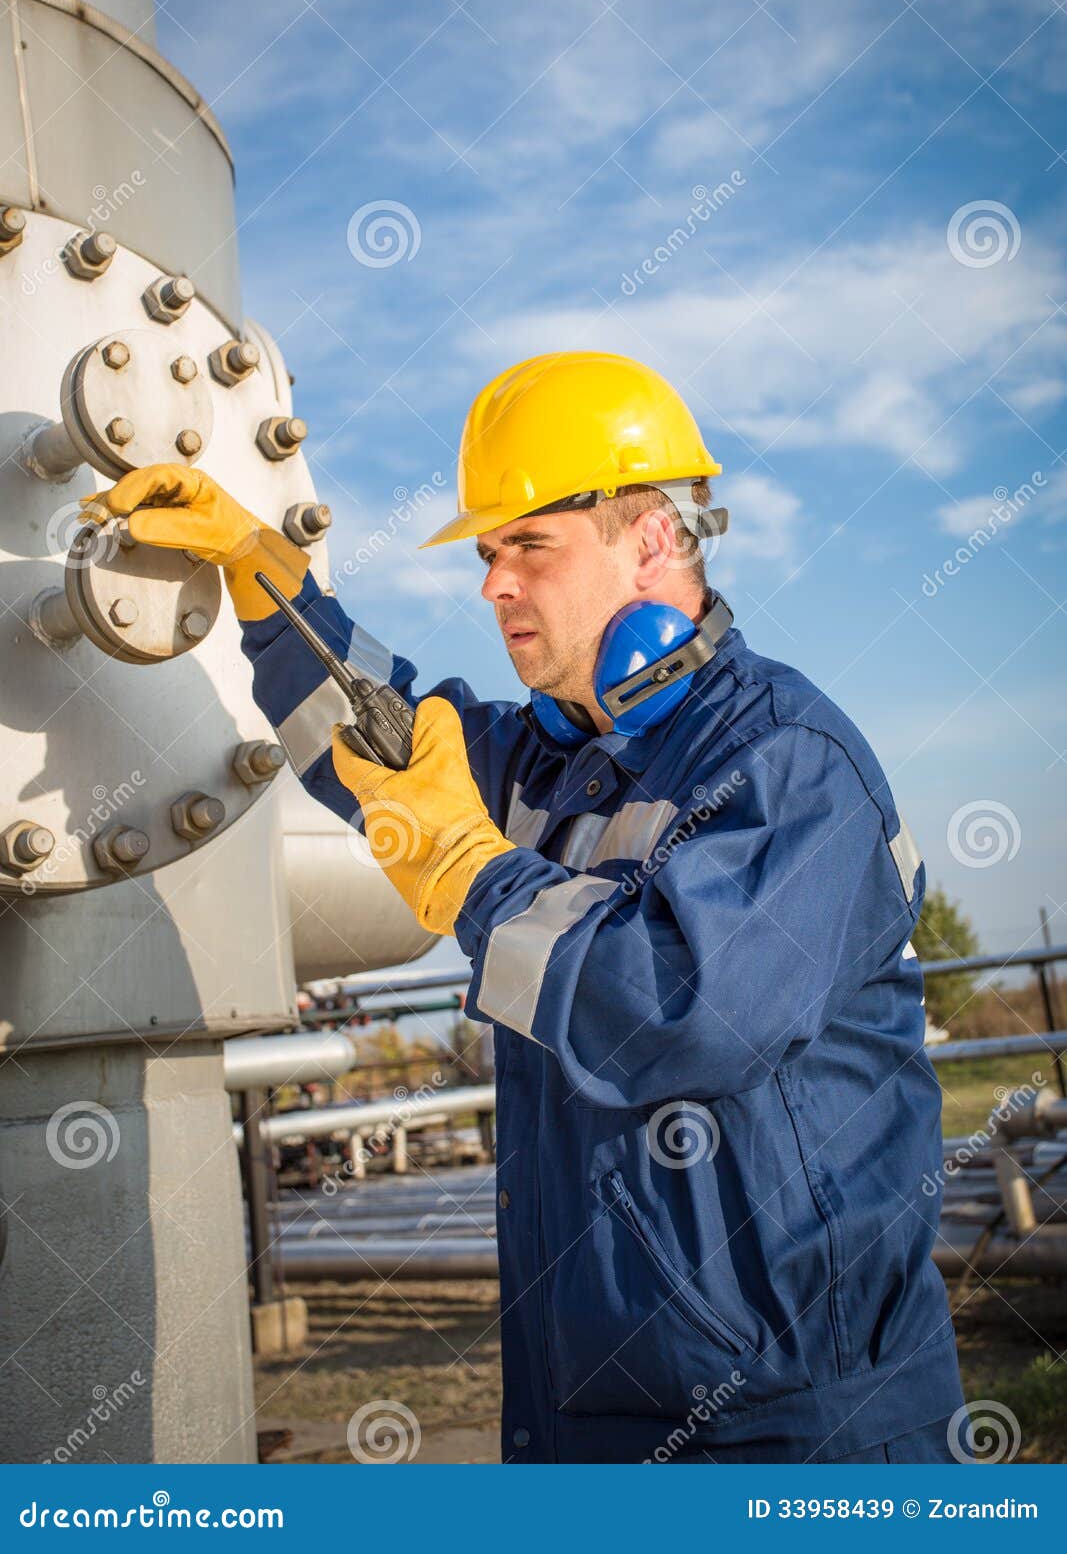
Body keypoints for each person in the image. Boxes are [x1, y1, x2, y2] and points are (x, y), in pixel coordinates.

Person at [83, 350, 967, 1464]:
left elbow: (674, 1012)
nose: (492, 584)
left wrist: (468, 862)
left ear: (651, 539)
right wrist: (269, 584)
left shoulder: (784, 759)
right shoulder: (546, 764)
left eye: (528, 547)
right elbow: (375, 740)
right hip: (581, 1419)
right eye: (489, 553)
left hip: (795, 1433)